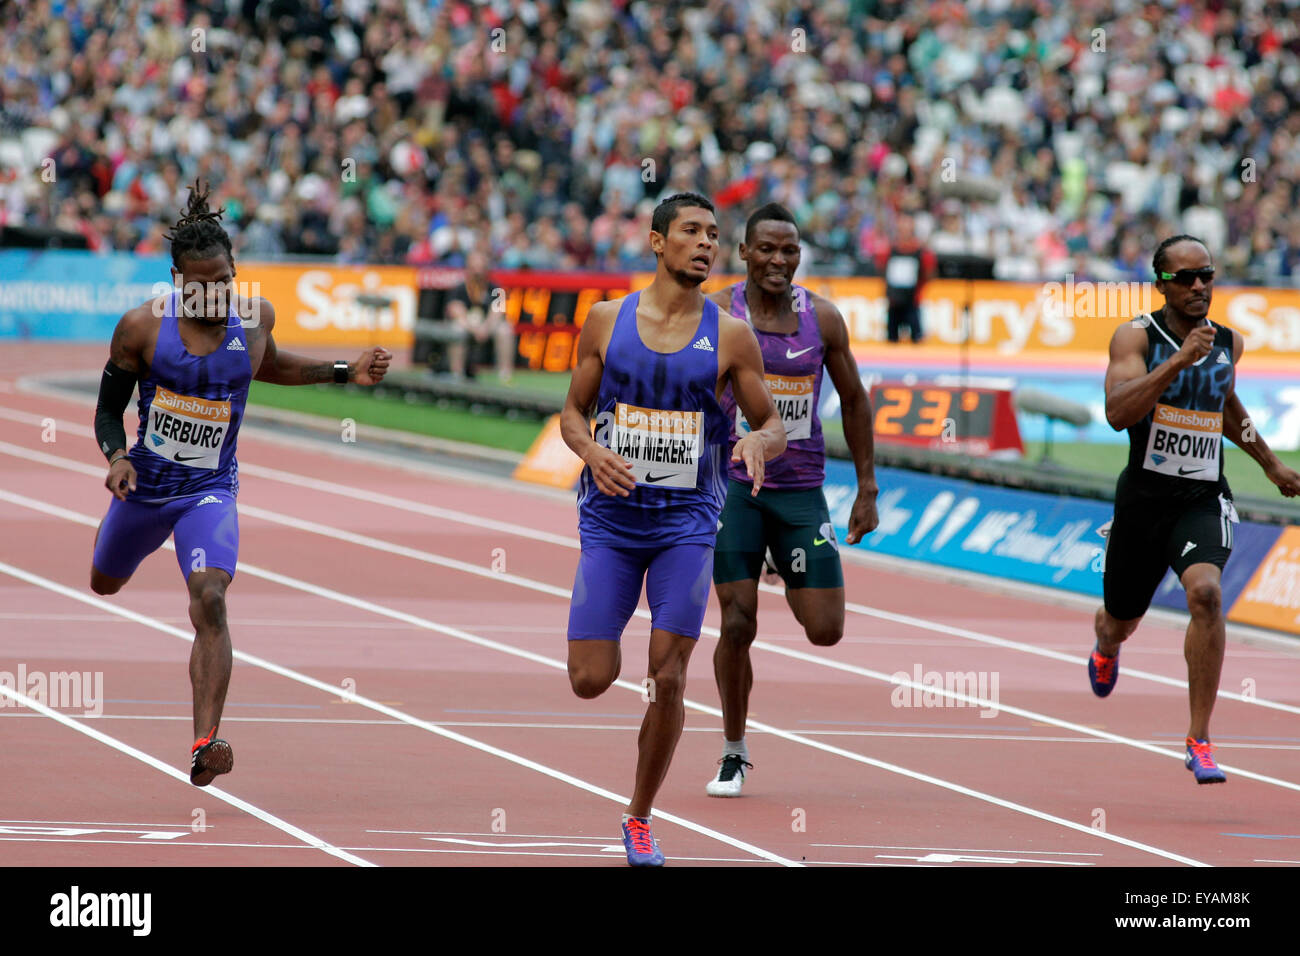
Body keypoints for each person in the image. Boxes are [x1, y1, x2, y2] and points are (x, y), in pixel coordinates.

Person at [90, 180, 392, 786]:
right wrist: (118, 456)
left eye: (224, 280)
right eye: (200, 284)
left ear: (235, 272)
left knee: (211, 597)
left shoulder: (255, 319)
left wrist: (342, 372)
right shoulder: (140, 330)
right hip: (145, 488)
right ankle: (125, 548)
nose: (214, 294)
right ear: (177, 279)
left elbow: (270, 366)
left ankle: (206, 742)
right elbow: (107, 409)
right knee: (103, 582)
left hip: (210, 491)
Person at [559, 192, 786, 865]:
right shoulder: (605, 321)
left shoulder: (732, 335)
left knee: (670, 672)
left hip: (688, 523)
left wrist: (756, 446)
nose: (706, 243)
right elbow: (572, 413)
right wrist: (592, 451)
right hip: (610, 521)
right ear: (657, 242)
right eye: (691, 231)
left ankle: (638, 817)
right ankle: (612, 636)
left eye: (714, 235)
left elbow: (771, 422)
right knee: (589, 678)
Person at [1091, 234, 1300, 783]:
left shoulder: (1228, 341)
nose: (1199, 287)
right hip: (1143, 500)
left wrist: (1269, 463)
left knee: (1205, 594)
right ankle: (1106, 646)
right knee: (1119, 620)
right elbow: (1117, 411)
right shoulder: (1134, 336)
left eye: (1206, 275)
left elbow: (1226, 405)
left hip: (1202, 495)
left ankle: (1199, 738)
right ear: (1161, 284)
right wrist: (1178, 362)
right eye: (1185, 278)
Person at [704, 203, 880, 797]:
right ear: (745, 253)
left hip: (801, 491)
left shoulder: (823, 320)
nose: (779, 260)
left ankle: (782, 556)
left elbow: (854, 401)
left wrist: (867, 487)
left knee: (825, 631)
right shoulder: (717, 316)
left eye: (790, 250)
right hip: (732, 489)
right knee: (737, 620)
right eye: (768, 249)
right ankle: (733, 750)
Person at [445, 248, 515, 382]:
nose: (477, 271)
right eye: (474, 267)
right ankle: (456, 373)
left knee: (505, 330)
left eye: (481, 267)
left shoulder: (496, 288)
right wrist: (474, 329)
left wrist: (485, 328)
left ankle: (505, 374)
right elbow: (457, 312)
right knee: (457, 329)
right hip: (468, 326)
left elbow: (497, 312)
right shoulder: (459, 289)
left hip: (486, 326)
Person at [875, 213, 935, 343]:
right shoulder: (890, 249)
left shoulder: (921, 251)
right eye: (901, 227)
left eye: (906, 227)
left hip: (913, 301)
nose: (903, 230)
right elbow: (881, 268)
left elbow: (930, 272)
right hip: (894, 301)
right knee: (891, 339)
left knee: (917, 339)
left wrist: (919, 286)